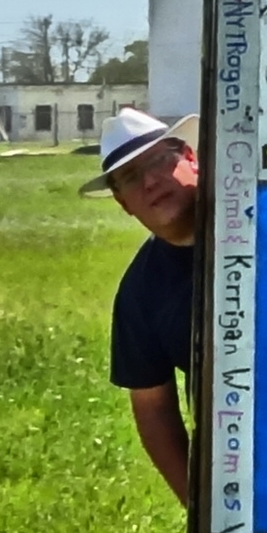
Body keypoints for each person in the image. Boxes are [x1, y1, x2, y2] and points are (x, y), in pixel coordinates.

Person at [90, 104, 205, 505]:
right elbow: (153, 407)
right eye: (132, 177)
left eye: (159, 160)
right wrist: (201, 509)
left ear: (191, 157)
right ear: (123, 203)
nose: (152, 181)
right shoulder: (140, 292)